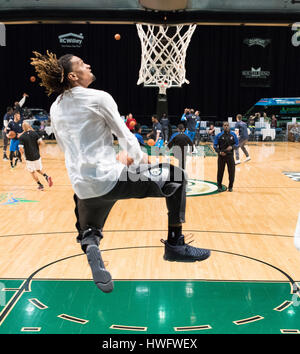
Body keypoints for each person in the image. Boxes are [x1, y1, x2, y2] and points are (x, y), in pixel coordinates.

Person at [30, 51, 210, 293]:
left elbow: (66, 147)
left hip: (82, 186)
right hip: (110, 178)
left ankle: (91, 243)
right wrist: (138, 161)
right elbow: (125, 136)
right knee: (177, 176)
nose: (89, 64)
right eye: (83, 64)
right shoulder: (98, 98)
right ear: (73, 75)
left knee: (91, 229)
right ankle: (176, 244)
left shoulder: (55, 107)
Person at [18, 121, 53, 190]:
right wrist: (36, 147)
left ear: (22, 128)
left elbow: (21, 149)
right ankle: (46, 176)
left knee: (32, 171)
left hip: (29, 157)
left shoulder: (22, 137)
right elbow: (41, 142)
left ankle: (40, 185)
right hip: (37, 155)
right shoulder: (34, 133)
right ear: (29, 126)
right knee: (38, 169)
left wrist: (21, 156)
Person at [213, 121, 239, 192]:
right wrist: (220, 152)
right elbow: (214, 146)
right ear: (223, 126)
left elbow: (237, 144)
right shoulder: (219, 135)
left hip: (230, 156)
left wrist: (232, 147)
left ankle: (230, 186)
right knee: (220, 172)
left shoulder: (233, 135)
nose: (226, 126)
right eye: (225, 125)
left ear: (229, 126)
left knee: (231, 172)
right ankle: (219, 186)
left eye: (227, 125)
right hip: (221, 156)